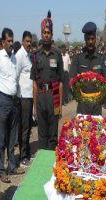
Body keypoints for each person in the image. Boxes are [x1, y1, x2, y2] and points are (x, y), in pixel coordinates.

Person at [0, 27, 24, 183]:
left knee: (13, 135)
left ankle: (12, 166)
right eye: (8, 41)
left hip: (14, 100)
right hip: (3, 100)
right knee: (2, 137)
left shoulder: (14, 58)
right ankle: (2, 169)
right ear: (3, 41)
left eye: (12, 40)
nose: (11, 43)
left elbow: (16, 79)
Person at [30, 11, 64, 150]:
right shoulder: (36, 55)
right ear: (41, 33)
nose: (46, 35)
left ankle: (51, 165)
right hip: (41, 98)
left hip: (54, 96)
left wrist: (60, 104)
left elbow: (61, 81)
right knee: (42, 134)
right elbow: (34, 82)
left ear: (52, 34)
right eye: (44, 32)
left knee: (53, 135)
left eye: (48, 32)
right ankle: (42, 165)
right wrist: (34, 106)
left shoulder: (57, 54)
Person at [70, 21, 106, 115]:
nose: (90, 42)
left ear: (96, 39)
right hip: (82, 103)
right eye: (88, 39)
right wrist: (78, 96)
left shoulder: (101, 58)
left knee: (97, 129)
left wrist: (102, 97)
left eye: (92, 39)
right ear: (85, 39)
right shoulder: (78, 58)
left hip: (97, 104)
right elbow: (71, 79)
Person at [15, 31, 33, 166]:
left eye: (30, 41)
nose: (29, 43)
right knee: (24, 127)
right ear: (22, 41)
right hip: (23, 96)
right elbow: (15, 76)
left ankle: (27, 153)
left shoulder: (29, 56)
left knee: (28, 125)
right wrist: (17, 96)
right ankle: (22, 157)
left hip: (30, 95)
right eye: (27, 41)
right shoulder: (19, 56)